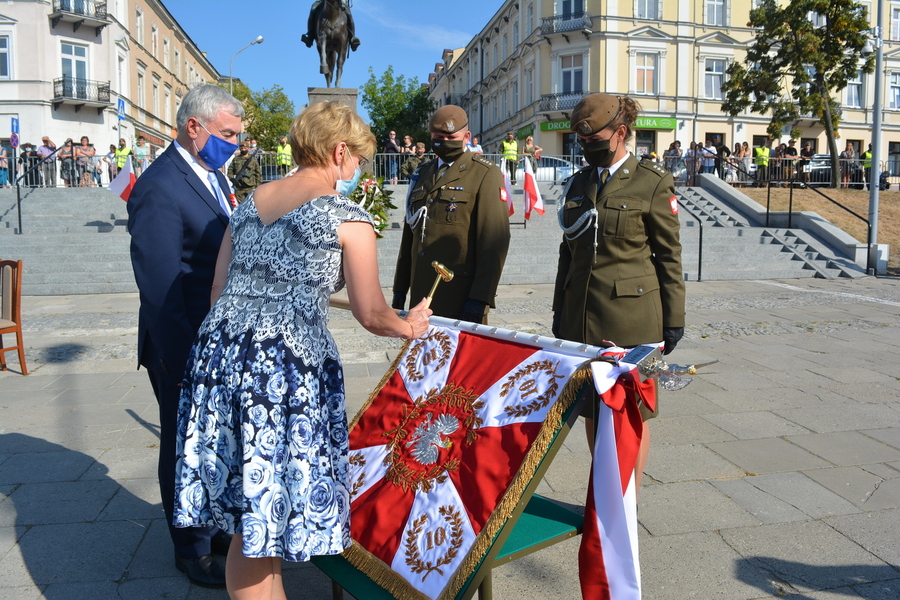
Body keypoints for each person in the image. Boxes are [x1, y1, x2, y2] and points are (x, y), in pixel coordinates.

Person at [173, 101, 432, 599]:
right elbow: (372, 313)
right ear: (339, 151)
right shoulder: (344, 215)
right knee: (261, 515)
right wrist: (410, 325)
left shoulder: (248, 203)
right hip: (281, 371)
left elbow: (219, 291)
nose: (357, 169)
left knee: (252, 519)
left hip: (221, 355)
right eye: (358, 159)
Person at [127, 84, 246, 589]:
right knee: (182, 446)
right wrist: (182, 362)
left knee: (208, 443)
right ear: (193, 127)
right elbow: (158, 285)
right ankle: (189, 548)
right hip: (182, 345)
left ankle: (210, 528)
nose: (234, 145)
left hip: (212, 341)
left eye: (238, 136)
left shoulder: (210, 173)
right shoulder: (160, 185)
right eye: (227, 134)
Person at [552, 92, 685, 493]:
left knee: (631, 415)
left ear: (620, 133)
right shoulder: (578, 183)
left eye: (593, 139)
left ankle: (628, 498)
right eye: (581, 141)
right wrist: (560, 310)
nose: (586, 148)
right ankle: (609, 487)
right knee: (594, 408)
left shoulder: (652, 182)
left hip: (631, 321)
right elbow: (568, 254)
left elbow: (668, 256)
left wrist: (673, 320)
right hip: (582, 319)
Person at [392, 104, 510, 323]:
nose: (443, 142)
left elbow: (493, 242)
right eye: (438, 136)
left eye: (450, 136)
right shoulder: (422, 173)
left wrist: (480, 299)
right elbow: (410, 235)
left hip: (461, 295)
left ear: (466, 136)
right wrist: (400, 288)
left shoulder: (485, 173)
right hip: (421, 296)